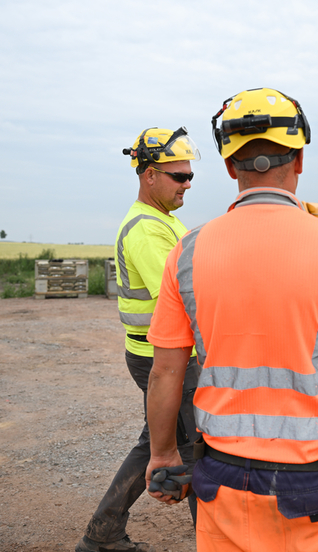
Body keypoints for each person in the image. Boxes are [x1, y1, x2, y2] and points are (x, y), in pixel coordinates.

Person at [143, 88, 318, 552]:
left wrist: (163, 452)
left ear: (230, 166)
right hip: (313, 488)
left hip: (221, 480)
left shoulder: (186, 252)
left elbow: (166, 369)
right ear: (300, 160)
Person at [76, 127, 201, 552]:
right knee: (196, 448)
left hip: (159, 355)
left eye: (189, 177)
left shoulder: (163, 220)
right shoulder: (148, 229)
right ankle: (219, 541)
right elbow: (183, 298)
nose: (187, 184)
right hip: (163, 358)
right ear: (149, 175)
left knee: (158, 440)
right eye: (178, 177)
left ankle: (104, 532)